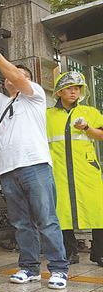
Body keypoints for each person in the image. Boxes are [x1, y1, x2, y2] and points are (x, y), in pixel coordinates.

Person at [0, 41, 69, 289]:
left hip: (35, 166)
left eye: (17, 74)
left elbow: (15, 74)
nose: (10, 76)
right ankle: (29, 267)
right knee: (21, 224)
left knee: (46, 220)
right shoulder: (1, 102)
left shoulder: (34, 96)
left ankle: (58, 269)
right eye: (8, 75)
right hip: (8, 171)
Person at [47, 71, 103, 266]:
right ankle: (70, 252)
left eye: (78, 88)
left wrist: (87, 128)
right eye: (70, 88)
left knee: (97, 209)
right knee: (62, 210)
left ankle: (99, 253)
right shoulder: (48, 115)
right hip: (59, 168)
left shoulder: (89, 112)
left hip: (86, 168)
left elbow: (101, 135)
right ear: (60, 91)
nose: (74, 92)